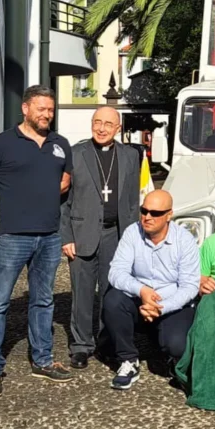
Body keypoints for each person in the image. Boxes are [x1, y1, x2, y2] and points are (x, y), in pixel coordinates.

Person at [0, 86, 73, 396]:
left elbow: (65, 178)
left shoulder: (60, 144)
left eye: (50, 109)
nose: (47, 114)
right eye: (41, 108)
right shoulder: (0, 144)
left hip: (49, 235)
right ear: (25, 109)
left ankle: (42, 360)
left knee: (43, 300)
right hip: (12, 235)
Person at [60, 106, 141, 369]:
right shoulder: (76, 153)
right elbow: (64, 200)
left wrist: (135, 237)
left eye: (108, 124)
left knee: (112, 293)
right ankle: (82, 346)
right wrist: (66, 236)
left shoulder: (131, 155)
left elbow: (133, 201)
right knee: (82, 294)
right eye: (97, 122)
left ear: (118, 128)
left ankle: (107, 344)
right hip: (82, 231)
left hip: (116, 233)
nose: (102, 128)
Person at [103, 190, 200, 390]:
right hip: (139, 301)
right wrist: (142, 290)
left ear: (169, 215)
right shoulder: (132, 232)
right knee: (112, 300)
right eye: (144, 211)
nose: (147, 217)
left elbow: (190, 286)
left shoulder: (185, 240)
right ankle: (128, 360)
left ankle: (174, 360)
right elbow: (116, 272)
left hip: (172, 303)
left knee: (176, 344)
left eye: (155, 213)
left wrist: (161, 307)